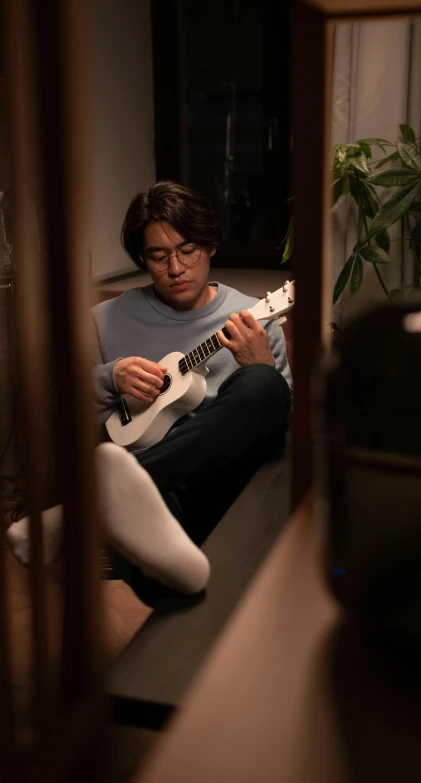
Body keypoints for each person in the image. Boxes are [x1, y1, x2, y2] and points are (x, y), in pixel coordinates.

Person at [8, 181, 292, 604]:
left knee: (262, 384)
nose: (175, 268)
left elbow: (284, 431)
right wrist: (110, 378)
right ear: (142, 259)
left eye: (187, 250)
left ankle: (81, 513)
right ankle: (169, 562)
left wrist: (263, 365)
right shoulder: (104, 320)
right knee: (161, 559)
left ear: (211, 246)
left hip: (224, 486)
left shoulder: (254, 317)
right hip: (145, 506)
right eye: (157, 256)